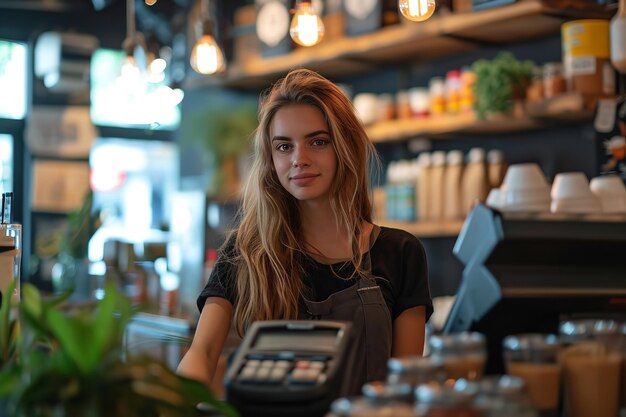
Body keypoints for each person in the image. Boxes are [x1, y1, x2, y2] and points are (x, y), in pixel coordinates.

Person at [177, 68, 433, 395]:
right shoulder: (247, 252)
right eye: (284, 147)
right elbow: (203, 353)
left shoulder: (399, 253)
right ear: (271, 158)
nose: (300, 159)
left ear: (345, 146)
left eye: (318, 141)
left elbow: (406, 383)